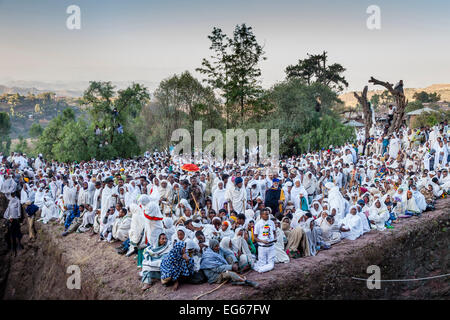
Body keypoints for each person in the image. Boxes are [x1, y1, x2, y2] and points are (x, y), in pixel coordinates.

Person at [253, 208, 276, 273]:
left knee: (271, 263)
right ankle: (260, 268)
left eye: (268, 214)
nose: (267, 216)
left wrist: (275, 238)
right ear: (261, 215)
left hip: (271, 246)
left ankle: (260, 269)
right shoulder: (258, 224)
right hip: (262, 247)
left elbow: (274, 232)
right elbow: (255, 237)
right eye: (265, 214)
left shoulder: (271, 222)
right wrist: (263, 241)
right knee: (264, 264)